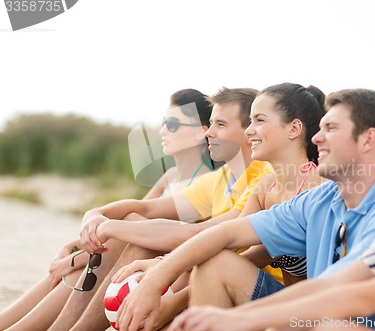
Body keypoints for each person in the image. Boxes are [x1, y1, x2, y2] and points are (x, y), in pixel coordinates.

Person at [168, 90, 375, 331]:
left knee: (327, 326)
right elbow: (332, 284)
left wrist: (244, 319)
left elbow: (365, 297)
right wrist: (235, 319)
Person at [113, 88, 375, 331]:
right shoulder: (322, 200)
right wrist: (159, 275)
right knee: (215, 263)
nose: (317, 138)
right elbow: (226, 233)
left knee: (332, 324)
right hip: (314, 314)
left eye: (329, 128)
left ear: (368, 140)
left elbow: (340, 292)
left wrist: (246, 319)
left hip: (354, 321)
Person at [47, 87, 273, 331]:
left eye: (220, 124)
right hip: (201, 276)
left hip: (241, 286)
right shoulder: (223, 177)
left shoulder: (265, 178)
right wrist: (94, 215)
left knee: (139, 236)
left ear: (248, 131)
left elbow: (200, 235)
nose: (210, 132)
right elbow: (145, 208)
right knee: (135, 225)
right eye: (210, 123)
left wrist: (110, 228)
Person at [0, 88, 215, 331]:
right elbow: (129, 221)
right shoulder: (170, 177)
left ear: (201, 132)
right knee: (71, 271)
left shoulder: (206, 183)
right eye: (164, 122)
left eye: (173, 124)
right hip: (123, 254)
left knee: (75, 271)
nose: (163, 130)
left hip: (157, 266)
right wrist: (73, 248)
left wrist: (75, 259)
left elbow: (139, 230)